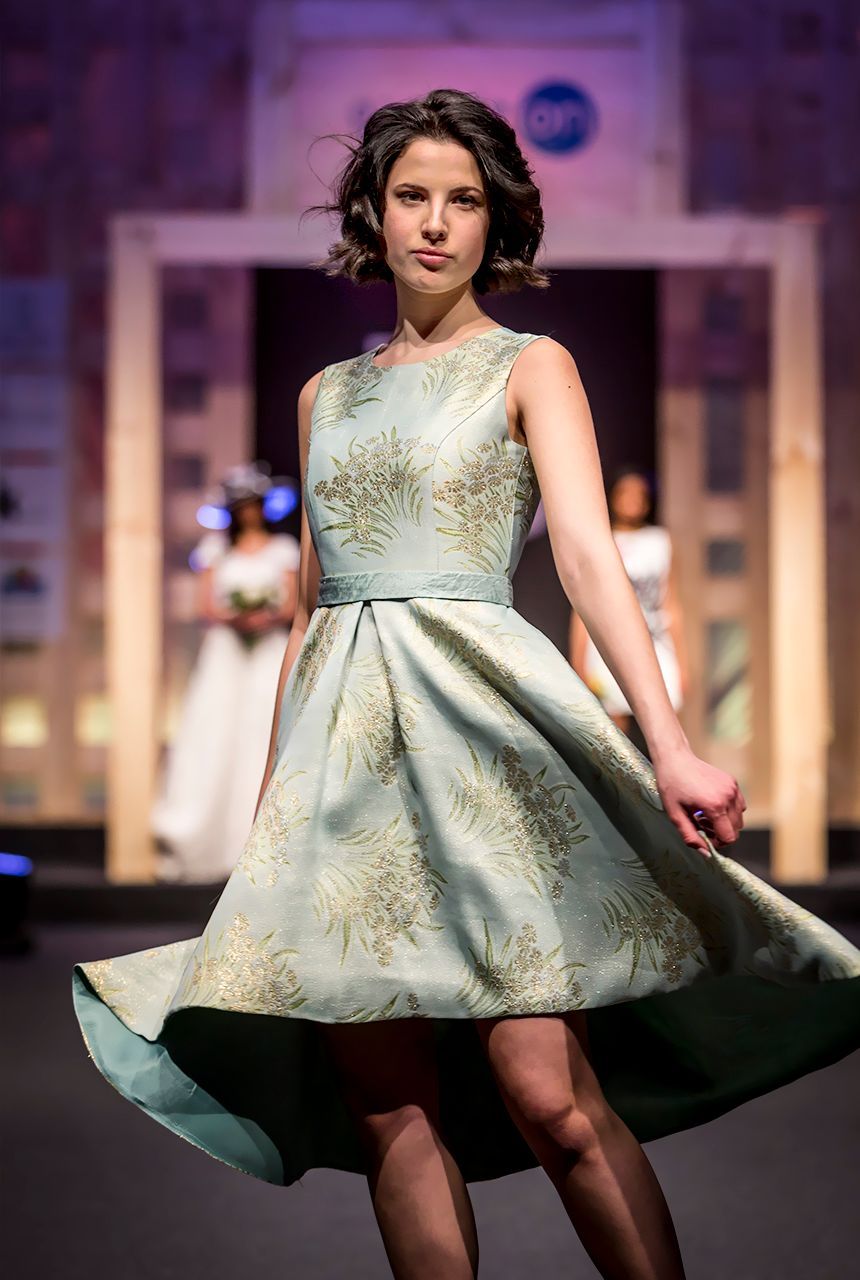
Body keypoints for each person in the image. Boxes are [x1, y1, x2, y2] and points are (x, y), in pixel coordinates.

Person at [73, 89, 860, 1280]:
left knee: (546, 1090)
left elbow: (590, 560)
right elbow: (307, 601)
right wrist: (277, 799)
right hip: (344, 761)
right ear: (372, 215)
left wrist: (672, 741)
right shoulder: (322, 394)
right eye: (410, 196)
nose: (435, 222)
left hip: (484, 738)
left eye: (464, 199)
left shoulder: (532, 364)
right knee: (390, 1108)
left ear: (496, 222)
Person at [150, 462, 300, 883]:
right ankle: (204, 838)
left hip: (268, 649)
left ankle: (260, 842)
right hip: (226, 653)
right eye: (243, 505)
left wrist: (264, 615)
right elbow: (206, 606)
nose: (249, 512)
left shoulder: (283, 550)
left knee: (262, 731)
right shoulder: (215, 550)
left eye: (255, 504)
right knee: (215, 731)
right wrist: (237, 616)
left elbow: (291, 605)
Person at [570, 466, 689, 736]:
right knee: (614, 728)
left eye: (640, 494)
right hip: (609, 641)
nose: (633, 499)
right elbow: (583, 607)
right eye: (627, 492)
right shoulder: (601, 542)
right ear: (613, 497)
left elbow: (671, 603)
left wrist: (682, 664)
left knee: (669, 726)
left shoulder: (660, 541)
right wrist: (578, 661)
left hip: (656, 639)